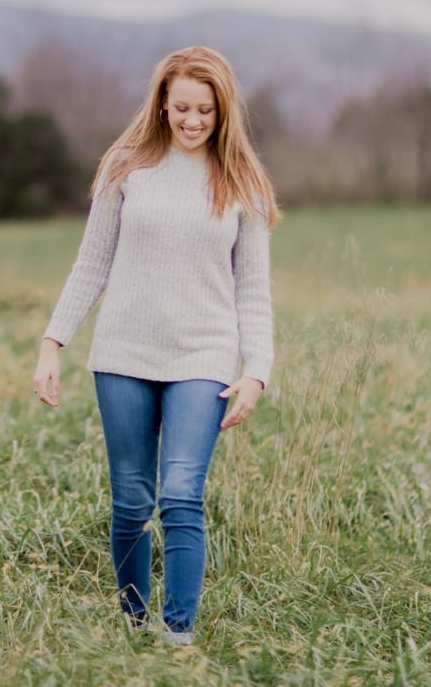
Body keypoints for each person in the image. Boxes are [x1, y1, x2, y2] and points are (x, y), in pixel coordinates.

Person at [32, 45, 279, 646]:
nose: (192, 122)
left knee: (180, 495)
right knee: (132, 498)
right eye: (182, 109)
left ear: (223, 115)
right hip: (123, 355)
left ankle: (177, 633)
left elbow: (253, 290)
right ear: (162, 105)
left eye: (206, 112)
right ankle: (133, 623)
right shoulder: (125, 167)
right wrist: (52, 342)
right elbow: (91, 263)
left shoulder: (240, 182)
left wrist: (258, 371)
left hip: (204, 356)